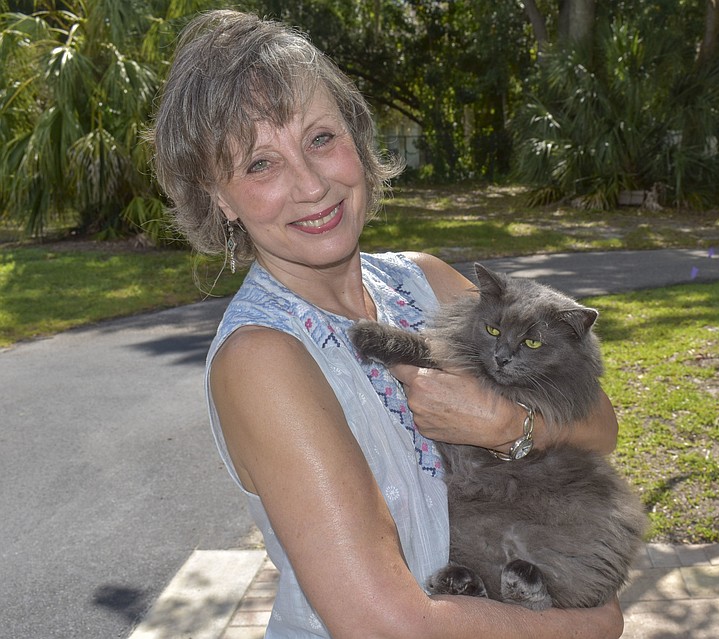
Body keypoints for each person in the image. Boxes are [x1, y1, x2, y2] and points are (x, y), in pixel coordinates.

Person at [151, 10, 624, 639]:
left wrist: (507, 424)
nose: (312, 184)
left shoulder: (425, 281)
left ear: (358, 138)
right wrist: (596, 623)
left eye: (320, 138)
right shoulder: (264, 357)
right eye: (260, 165)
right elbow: (385, 625)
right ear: (218, 196)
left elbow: (600, 426)